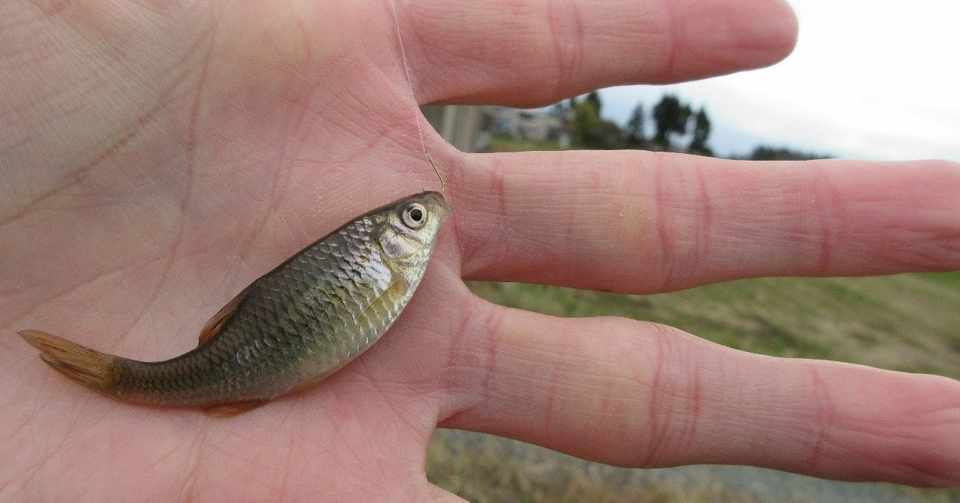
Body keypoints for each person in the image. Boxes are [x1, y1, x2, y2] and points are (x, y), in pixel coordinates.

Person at [1, 0, 957, 500]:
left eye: (416, 220)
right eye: (413, 220)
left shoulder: (386, 263)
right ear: (393, 241)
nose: (426, 222)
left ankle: (134, 377)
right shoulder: (379, 258)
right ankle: (133, 377)